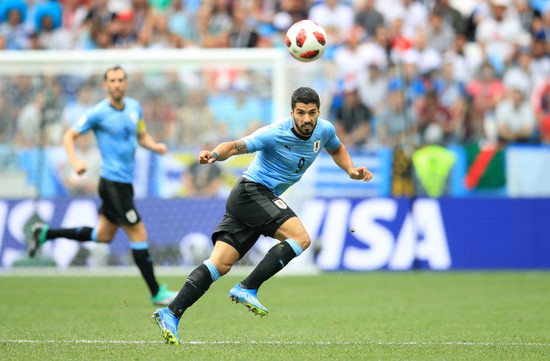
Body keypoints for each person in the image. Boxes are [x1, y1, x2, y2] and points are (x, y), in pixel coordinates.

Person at [152, 87, 373, 345]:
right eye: (300, 113)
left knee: (220, 264)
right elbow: (235, 147)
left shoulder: (324, 130)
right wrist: (213, 154)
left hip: (252, 199)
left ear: (318, 113)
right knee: (300, 238)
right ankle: (247, 287)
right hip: (252, 192)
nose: (306, 119)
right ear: (292, 113)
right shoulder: (274, 133)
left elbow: (336, 147)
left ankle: (170, 313)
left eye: (311, 113)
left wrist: (350, 170)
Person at [28, 66, 176, 306]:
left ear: (126, 83)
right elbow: (69, 136)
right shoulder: (97, 112)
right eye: (112, 81)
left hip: (124, 184)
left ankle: (45, 233)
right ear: (106, 85)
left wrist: (155, 146)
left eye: (120, 80)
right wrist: (75, 162)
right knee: (138, 232)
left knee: (103, 235)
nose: (116, 84)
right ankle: (156, 292)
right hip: (111, 184)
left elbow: (141, 135)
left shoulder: (134, 107)